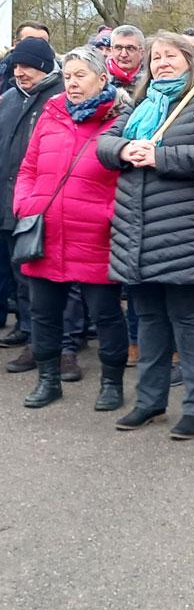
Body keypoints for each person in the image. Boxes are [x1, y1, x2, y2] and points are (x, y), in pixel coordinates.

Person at [97, 32, 194, 439]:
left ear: (189, 60)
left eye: (170, 56)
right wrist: (125, 151)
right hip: (138, 234)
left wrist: (159, 156)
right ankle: (149, 401)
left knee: (190, 323)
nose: (161, 63)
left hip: (187, 234)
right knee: (149, 322)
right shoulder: (143, 104)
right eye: (156, 57)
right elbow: (104, 144)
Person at [13, 47, 129, 411]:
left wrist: (108, 216)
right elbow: (28, 168)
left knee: (106, 315)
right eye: (68, 76)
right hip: (45, 230)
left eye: (81, 76)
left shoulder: (119, 119)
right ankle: (48, 381)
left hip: (95, 236)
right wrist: (25, 205)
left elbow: (129, 180)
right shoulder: (51, 114)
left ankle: (112, 383)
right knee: (43, 313)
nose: (73, 84)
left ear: (102, 79)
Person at [0, 37, 66, 372]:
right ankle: (27, 332)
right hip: (8, 202)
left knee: (42, 280)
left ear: (42, 65)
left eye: (26, 65)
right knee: (18, 274)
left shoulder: (60, 98)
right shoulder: (9, 99)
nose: (19, 72)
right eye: (15, 65)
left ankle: (58, 344)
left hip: (43, 205)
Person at [106, 25, 145, 96]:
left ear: (141, 52)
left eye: (130, 48)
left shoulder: (151, 80)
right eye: (118, 48)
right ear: (111, 50)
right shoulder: (99, 79)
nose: (123, 54)